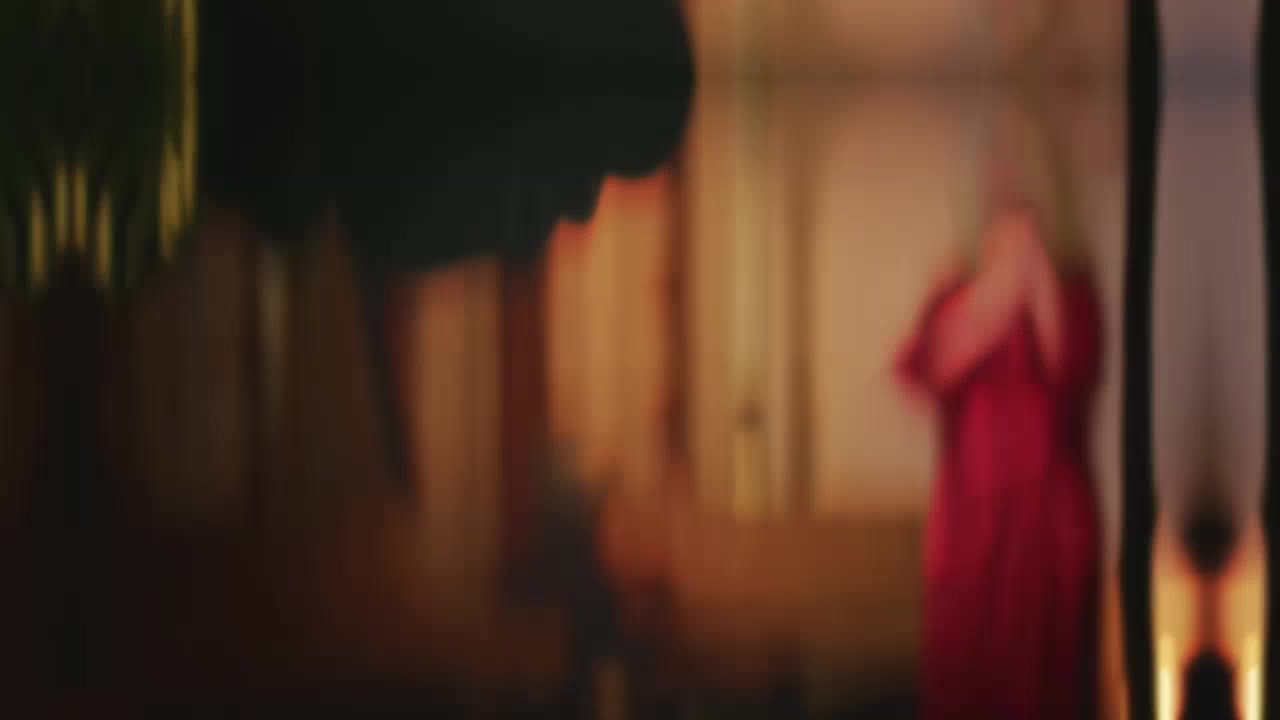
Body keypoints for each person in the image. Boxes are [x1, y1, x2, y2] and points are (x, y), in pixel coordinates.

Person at [895, 99, 1102, 719]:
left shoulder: (1074, 290)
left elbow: (1072, 368)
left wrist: (1035, 284)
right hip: (971, 530)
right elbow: (930, 368)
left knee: (1044, 685)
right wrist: (994, 294)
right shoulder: (954, 291)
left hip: (1047, 532)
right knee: (967, 682)